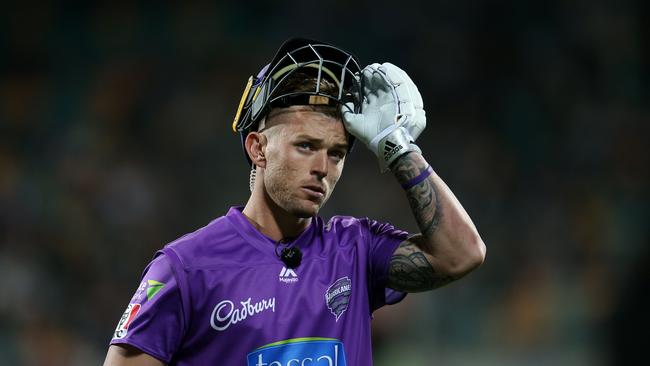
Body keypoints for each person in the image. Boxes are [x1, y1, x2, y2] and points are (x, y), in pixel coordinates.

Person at [103, 37, 486, 366]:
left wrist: (398, 148)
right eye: (306, 146)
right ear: (258, 147)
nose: (323, 167)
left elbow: (462, 254)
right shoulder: (185, 268)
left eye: (336, 153)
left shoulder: (355, 250)